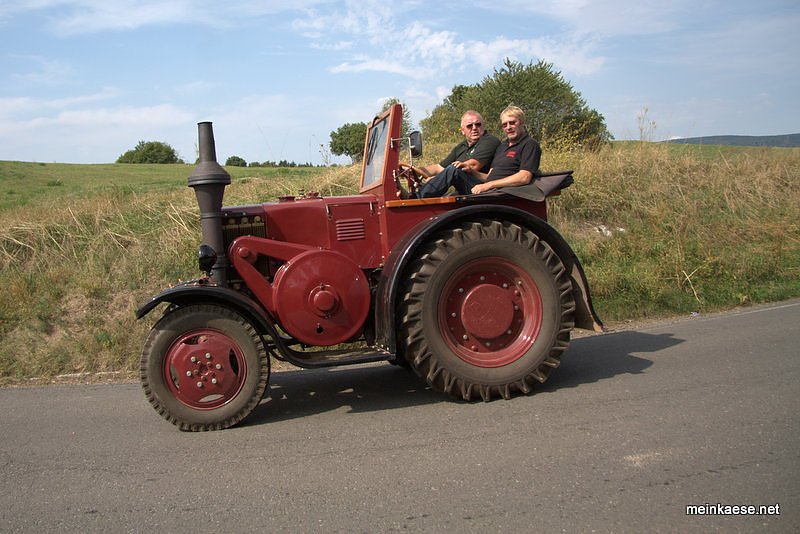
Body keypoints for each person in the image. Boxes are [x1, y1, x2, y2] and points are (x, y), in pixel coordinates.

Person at [418, 105, 540, 198]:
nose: (508, 127)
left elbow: (524, 177)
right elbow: (489, 177)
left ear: (522, 122)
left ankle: (415, 199)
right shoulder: (503, 146)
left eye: (512, 123)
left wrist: (488, 185)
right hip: (486, 188)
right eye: (505, 125)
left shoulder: (530, 144)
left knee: (453, 169)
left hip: (499, 193)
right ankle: (417, 195)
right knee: (456, 169)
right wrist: (472, 172)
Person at [420, 110, 500, 177]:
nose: (474, 128)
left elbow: (473, 165)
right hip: (463, 188)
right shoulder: (461, 147)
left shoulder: (489, 141)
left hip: (483, 187)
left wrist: (435, 179)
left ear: (483, 126)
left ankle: (417, 195)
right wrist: (415, 171)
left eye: (478, 124)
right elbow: (439, 168)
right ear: (462, 130)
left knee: (454, 169)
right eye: (469, 126)